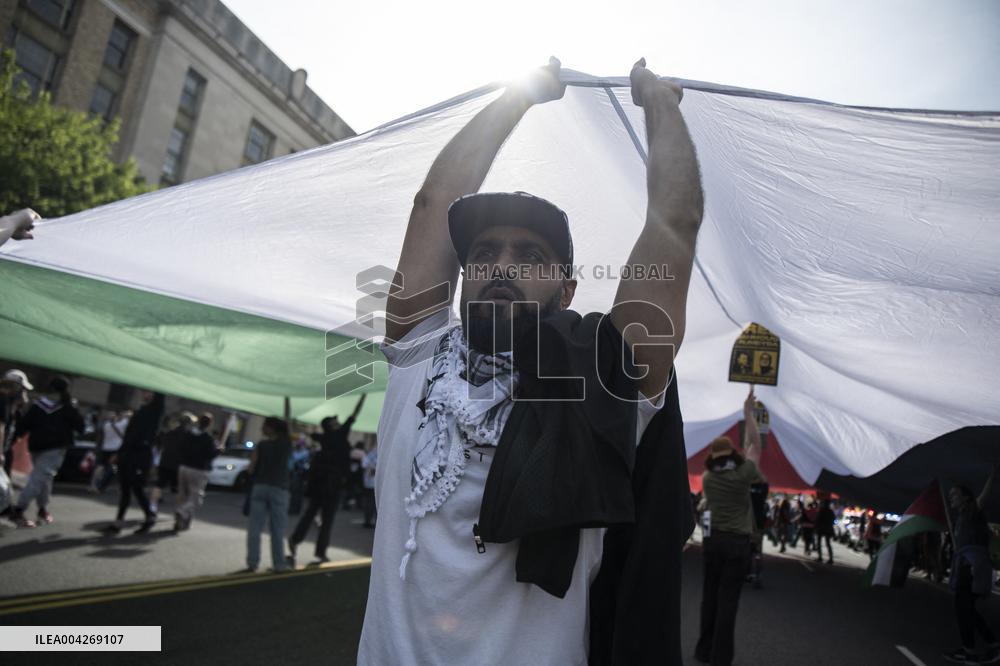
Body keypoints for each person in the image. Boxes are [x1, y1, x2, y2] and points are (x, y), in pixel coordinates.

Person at [358, 58, 703, 665]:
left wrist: (661, 108)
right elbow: (433, 201)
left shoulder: (602, 379)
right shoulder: (417, 351)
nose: (502, 265)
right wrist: (517, 97)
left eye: (530, 255)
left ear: (567, 290)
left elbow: (674, 221)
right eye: (485, 251)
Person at [695, 388, 766, 666]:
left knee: (709, 597)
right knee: (728, 602)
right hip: (737, 544)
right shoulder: (743, 475)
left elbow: (750, 449)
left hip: (713, 543)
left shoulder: (709, 478)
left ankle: (703, 650)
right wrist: (748, 413)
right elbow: (755, 447)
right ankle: (720, 657)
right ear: (733, 457)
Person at [289, 395, 365, 564]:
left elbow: (303, 431)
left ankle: (295, 539)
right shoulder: (340, 434)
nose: (338, 423)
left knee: (310, 513)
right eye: (335, 421)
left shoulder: (323, 438)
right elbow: (354, 414)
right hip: (334, 484)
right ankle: (320, 552)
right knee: (327, 519)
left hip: (319, 483)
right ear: (331, 425)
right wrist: (363, 397)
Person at [6, 376, 84, 527]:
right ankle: (19, 509)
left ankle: (42, 508)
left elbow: (23, 426)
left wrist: (13, 440)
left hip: (36, 447)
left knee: (44, 477)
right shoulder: (68, 407)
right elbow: (80, 427)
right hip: (55, 449)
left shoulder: (38, 405)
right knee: (39, 477)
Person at [943, 468, 999, 664]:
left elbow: (981, 498)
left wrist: (992, 476)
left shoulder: (971, 510)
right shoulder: (961, 517)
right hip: (966, 566)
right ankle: (988, 645)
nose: (951, 498)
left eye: (954, 495)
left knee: (964, 608)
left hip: (971, 568)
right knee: (966, 609)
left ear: (966, 498)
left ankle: (971, 653)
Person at [108, 391, 164, 535]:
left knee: (137, 488)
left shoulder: (155, 411)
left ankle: (150, 516)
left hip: (141, 456)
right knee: (125, 488)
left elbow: (160, 398)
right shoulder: (139, 411)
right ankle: (118, 522)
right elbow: (128, 436)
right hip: (128, 454)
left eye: (150, 392)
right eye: (145, 391)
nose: (145, 394)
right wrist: (119, 453)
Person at [245, 417, 293, 572]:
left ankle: (252, 562)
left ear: (271, 428)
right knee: (277, 529)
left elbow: (251, 468)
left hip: (260, 486)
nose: (262, 429)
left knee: (254, 528)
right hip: (279, 488)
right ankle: (279, 563)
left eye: (264, 426)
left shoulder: (262, 445)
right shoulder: (286, 444)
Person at [173, 413, 219, 532]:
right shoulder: (208, 439)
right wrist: (218, 451)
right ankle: (182, 512)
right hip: (199, 469)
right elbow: (210, 455)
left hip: (184, 467)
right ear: (209, 424)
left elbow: (180, 448)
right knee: (195, 498)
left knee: (182, 495)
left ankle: (183, 521)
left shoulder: (188, 434)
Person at [150, 411, 193, 513]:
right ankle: (178, 510)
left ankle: (152, 506)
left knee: (159, 485)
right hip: (178, 465)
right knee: (178, 489)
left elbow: (162, 443)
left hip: (165, 461)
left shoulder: (170, 432)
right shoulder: (188, 435)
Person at [0, 369, 32, 478]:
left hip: (6, 449)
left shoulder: (12, 406)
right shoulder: (2, 401)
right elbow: (1, 427)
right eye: (22, 389)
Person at [91, 409, 130, 493]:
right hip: (116, 449)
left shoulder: (106, 425)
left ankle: (93, 485)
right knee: (115, 468)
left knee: (100, 467)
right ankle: (116, 487)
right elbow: (127, 417)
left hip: (105, 448)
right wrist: (124, 415)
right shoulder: (121, 425)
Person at [361, 443, 377, 528]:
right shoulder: (378, 452)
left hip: (367, 482)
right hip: (374, 483)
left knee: (368, 502)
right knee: (372, 502)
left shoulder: (369, 454)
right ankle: (370, 520)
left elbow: (364, 464)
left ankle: (367, 520)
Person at [815, 498, 836, 564]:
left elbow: (818, 520)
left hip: (821, 528)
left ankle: (820, 557)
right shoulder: (830, 511)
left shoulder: (822, 510)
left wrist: (816, 527)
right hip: (828, 529)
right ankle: (830, 558)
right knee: (828, 544)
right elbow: (833, 520)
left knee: (819, 543)